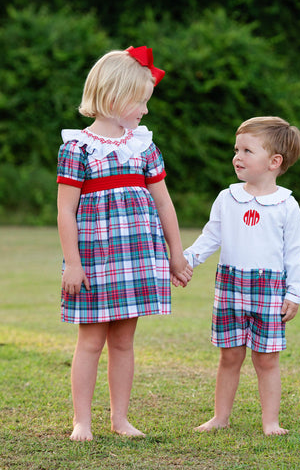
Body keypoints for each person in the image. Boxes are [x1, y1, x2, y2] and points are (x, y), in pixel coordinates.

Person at [57, 46, 192, 441]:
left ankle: (120, 419)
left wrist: (176, 252)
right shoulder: (77, 148)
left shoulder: (143, 145)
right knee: (90, 341)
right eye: (141, 102)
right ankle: (82, 421)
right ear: (115, 97)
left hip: (136, 258)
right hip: (95, 261)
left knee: (124, 342)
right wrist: (72, 263)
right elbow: (66, 211)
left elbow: (163, 202)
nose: (145, 111)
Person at [183, 116, 300, 436]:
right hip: (230, 285)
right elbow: (211, 236)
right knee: (230, 356)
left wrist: (293, 293)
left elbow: (294, 253)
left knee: (266, 360)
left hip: (269, 289)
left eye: (247, 151)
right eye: (236, 149)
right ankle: (220, 417)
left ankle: (271, 422)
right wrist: (188, 260)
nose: (237, 156)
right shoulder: (228, 198)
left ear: (274, 162)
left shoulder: (286, 205)